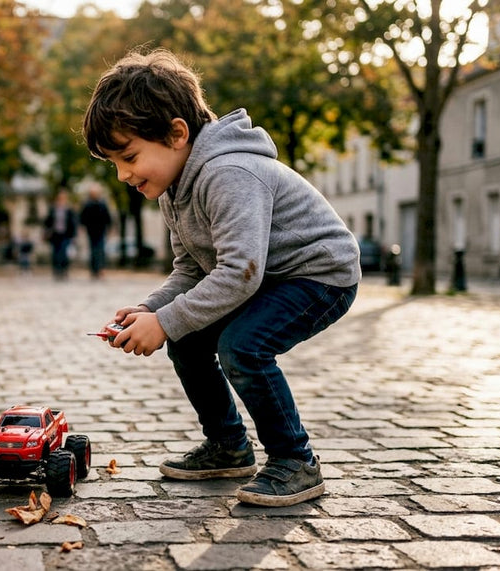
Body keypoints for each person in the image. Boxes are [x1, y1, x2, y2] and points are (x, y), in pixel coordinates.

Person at [83, 48, 360, 507]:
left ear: (176, 134)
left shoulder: (229, 173)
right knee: (188, 341)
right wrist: (154, 310)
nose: (122, 174)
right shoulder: (174, 190)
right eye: (113, 163)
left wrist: (166, 320)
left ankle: (296, 461)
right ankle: (228, 446)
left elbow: (238, 273)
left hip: (319, 274)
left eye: (129, 156)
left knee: (243, 346)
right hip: (263, 276)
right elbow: (191, 271)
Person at [79, 184, 112, 279]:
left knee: (100, 250)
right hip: (91, 231)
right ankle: (94, 270)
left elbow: (107, 217)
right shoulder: (87, 204)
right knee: (93, 251)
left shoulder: (102, 204)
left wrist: (109, 227)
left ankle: (100, 269)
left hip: (101, 230)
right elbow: (82, 217)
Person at [43, 190, 78, 280]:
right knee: (55, 254)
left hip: (65, 235)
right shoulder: (53, 209)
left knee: (64, 254)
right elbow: (47, 221)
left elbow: (73, 223)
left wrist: (74, 235)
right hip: (55, 235)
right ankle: (56, 271)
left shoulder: (69, 209)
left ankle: (64, 271)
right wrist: (46, 232)